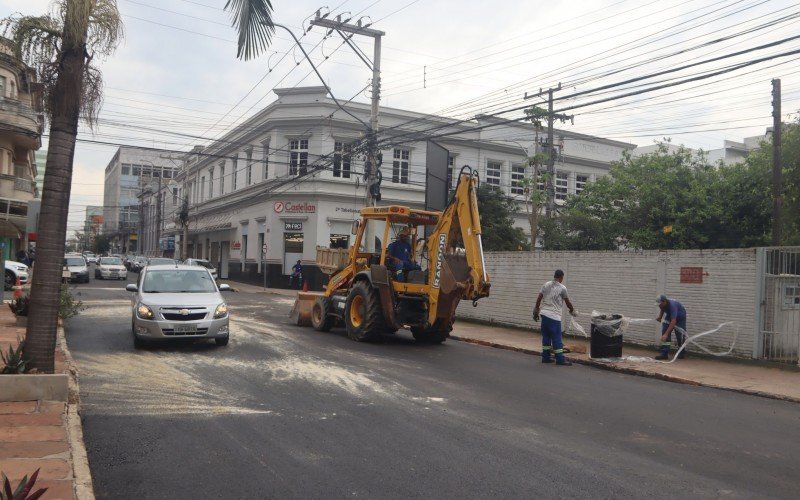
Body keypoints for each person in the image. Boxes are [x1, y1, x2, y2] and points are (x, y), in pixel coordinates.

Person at [533, 270, 577, 366]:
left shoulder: (546, 284)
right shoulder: (562, 288)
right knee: (556, 338)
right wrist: (572, 310)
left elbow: (539, 298)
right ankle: (560, 359)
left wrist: (536, 310)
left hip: (544, 314)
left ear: (554, 276)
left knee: (546, 337)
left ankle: (546, 357)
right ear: (561, 277)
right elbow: (567, 302)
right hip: (554, 317)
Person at [656, 295, 687, 360]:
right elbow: (662, 309)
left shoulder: (672, 306)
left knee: (680, 335)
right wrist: (660, 317)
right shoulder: (663, 304)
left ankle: (681, 352)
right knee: (664, 330)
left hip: (680, 317)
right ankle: (664, 353)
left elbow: (673, 321)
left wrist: (666, 334)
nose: (659, 306)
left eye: (660, 304)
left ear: (664, 301)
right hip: (670, 315)